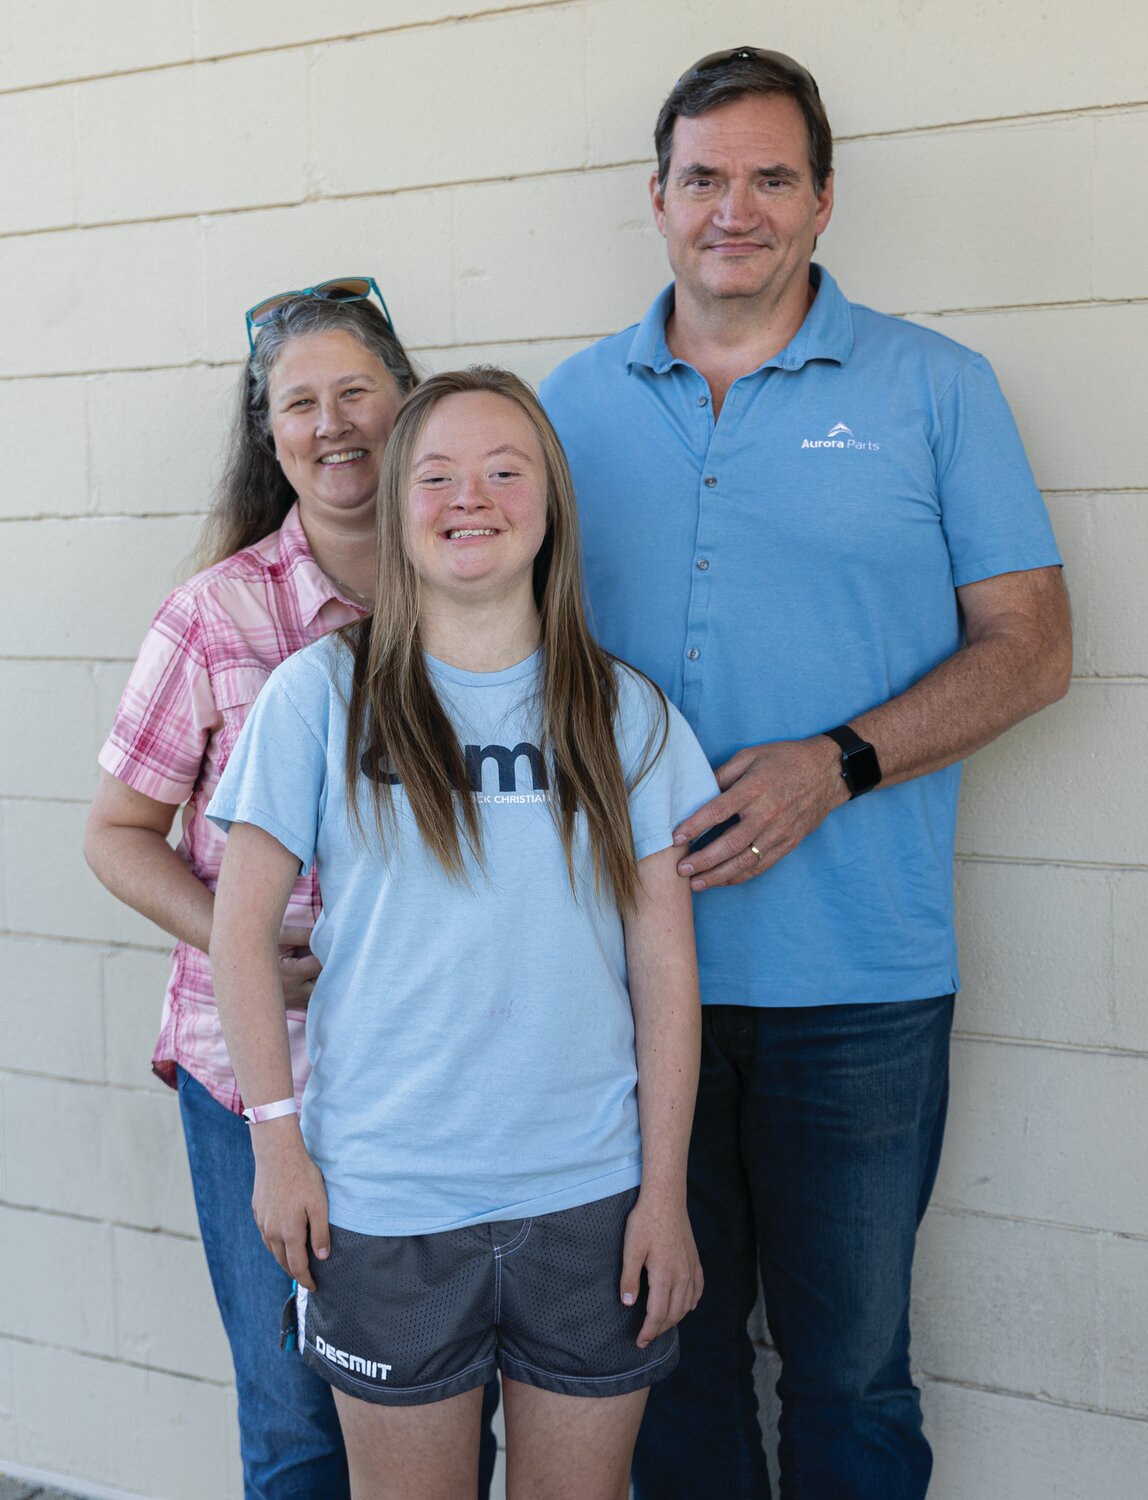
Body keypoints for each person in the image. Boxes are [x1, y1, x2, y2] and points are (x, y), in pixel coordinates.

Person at [540, 47, 1072, 1500]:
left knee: (850, 1380)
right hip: (631, 983)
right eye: (704, 176)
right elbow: (485, 654)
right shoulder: (565, 410)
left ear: (824, 200)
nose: (737, 208)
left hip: (862, 984)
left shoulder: (936, 389)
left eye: (773, 177)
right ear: (655, 199)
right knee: (674, 1363)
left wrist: (838, 765)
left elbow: (1032, 648)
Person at [204, 366, 718, 1500]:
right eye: (433, 474)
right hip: (383, 1205)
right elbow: (239, 936)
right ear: (395, 507)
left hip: (589, 1199)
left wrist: (665, 1193)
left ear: (549, 505)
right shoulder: (316, 698)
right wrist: (277, 1145)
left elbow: (665, 970)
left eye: (502, 470)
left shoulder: (624, 713)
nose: (467, 497)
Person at [84, 280, 418, 1500]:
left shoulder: (481, 600)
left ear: (407, 405)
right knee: (294, 1421)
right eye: (298, 405)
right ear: (267, 436)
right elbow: (118, 832)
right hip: (252, 1074)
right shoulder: (216, 617)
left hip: (432, 1077)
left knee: (432, 1405)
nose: (332, 424)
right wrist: (242, 942)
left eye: (356, 393)